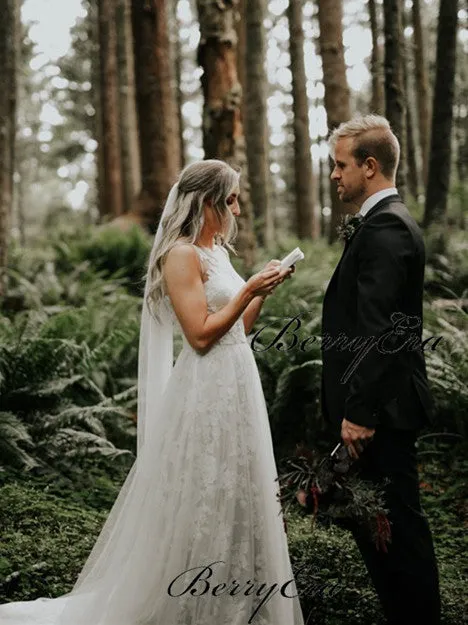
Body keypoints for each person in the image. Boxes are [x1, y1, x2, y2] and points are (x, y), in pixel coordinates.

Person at [0, 159, 305, 625]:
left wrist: (262, 291)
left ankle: (237, 596)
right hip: (205, 388)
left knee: (238, 485)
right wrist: (247, 292)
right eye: (230, 199)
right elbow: (200, 336)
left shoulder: (218, 252)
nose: (238, 208)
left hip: (239, 385)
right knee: (204, 488)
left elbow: (237, 331)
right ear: (205, 203)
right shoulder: (181, 254)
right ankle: (189, 596)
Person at [299, 114, 441, 625]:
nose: (334, 175)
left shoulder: (386, 229)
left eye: (341, 165)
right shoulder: (385, 223)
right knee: (379, 529)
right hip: (377, 407)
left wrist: (358, 413)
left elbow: (381, 334)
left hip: (381, 412)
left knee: (398, 532)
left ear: (371, 166)